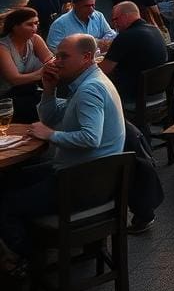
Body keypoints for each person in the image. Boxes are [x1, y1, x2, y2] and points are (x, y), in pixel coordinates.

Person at [0, 34, 124, 269]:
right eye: (56, 55)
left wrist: (50, 136)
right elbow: (54, 118)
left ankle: (28, 261)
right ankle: (31, 245)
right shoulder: (88, 81)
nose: (55, 61)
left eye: (63, 56)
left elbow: (90, 137)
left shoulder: (90, 89)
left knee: (7, 204)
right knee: (11, 180)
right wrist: (48, 91)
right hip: (93, 178)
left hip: (80, 184)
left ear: (87, 57)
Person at [100, 1, 169, 105]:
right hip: (158, 92)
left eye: (115, 19)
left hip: (134, 96)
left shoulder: (126, 36)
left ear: (125, 16)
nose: (114, 24)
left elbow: (104, 70)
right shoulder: (154, 30)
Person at [0, 8, 54, 123]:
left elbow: (50, 61)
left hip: (29, 93)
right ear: (15, 26)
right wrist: (41, 72)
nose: (34, 27)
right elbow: (15, 79)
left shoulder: (35, 39)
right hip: (6, 99)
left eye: (36, 23)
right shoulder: (3, 47)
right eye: (29, 24)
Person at [46, 0, 116, 53]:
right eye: (87, 6)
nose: (92, 9)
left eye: (93, 5)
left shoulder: (98, 16)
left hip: (98, 59)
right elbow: (54, 49)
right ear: (74, 5)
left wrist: (103, 42)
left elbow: (111, 34)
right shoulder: (60, 24)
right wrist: (94, 43)